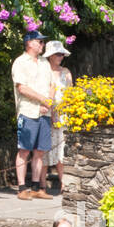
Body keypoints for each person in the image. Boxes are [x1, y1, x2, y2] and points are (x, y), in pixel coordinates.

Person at [11, 32, 54, 201]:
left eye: (43, 42)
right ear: (29, 43)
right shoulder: (20, 62)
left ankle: (36, 187)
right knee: (24, 150)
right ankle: (22, 187)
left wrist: (48, 102)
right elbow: (22, 88)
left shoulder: (44, 63)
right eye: (39, 42)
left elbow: (52, 85)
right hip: (28, 111)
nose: (42, 45)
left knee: (40, 151)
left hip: (45, 111)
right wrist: (43, 100)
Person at [43, 39, 73, 194]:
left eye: (62, 54)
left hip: (64, 114)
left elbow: (70, 93)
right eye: (57, 54)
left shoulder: (66, 72)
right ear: (50, 56)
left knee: (62, 150)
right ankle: (41, 185)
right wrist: (52, 113)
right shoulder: (43, 71)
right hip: (47, 112)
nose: (60, 57)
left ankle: (63, 183)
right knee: (44, 150)